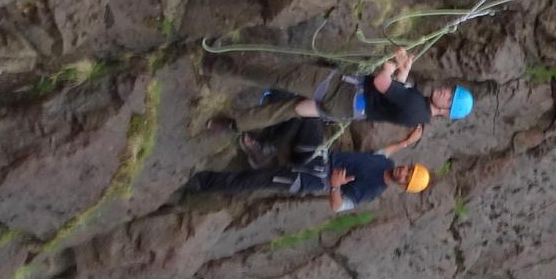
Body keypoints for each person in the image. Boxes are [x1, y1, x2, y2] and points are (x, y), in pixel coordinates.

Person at [182, 111, 429, 210]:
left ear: (402, 186)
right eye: (408, 169)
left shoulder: (372, 190)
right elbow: (384, 153)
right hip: (317, 157)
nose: (403, 172)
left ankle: (200, 183)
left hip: (309, 178)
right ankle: (265, 149)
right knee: (308, 116)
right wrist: (406, 142)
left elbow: (338, 207)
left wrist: (335, 186)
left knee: (253, 180)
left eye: (406, 177)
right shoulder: (385, 164)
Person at [258, 47, 473, 136]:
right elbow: (396, 97)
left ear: (446, 112)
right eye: (450, 91)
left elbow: (382, 83)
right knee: (295, 108)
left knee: (292, 80)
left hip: (347, 95)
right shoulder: (420, 113)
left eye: (450, 98)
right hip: (348, 109)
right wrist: (404, 70)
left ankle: (247, 73)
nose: (446, 92)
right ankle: (249, 117)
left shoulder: (418, 106)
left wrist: (388, 69)